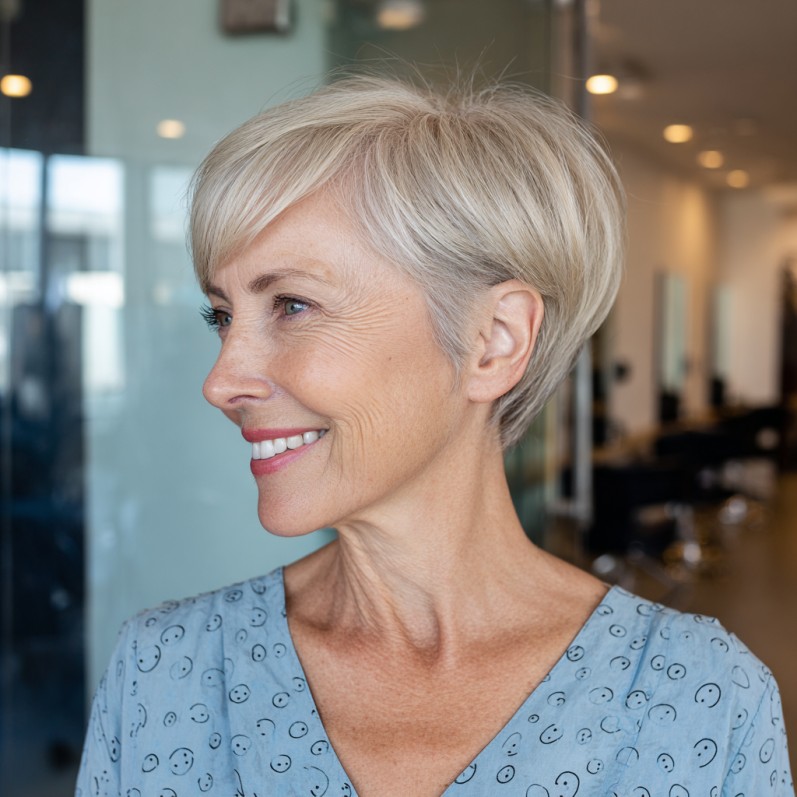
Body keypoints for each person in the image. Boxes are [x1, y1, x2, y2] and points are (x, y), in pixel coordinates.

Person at [76, 75, 793, 797]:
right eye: (222, 316)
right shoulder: (164, 672)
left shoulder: (700, 702)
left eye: (292, 304)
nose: (221, 379)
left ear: (493, 340)